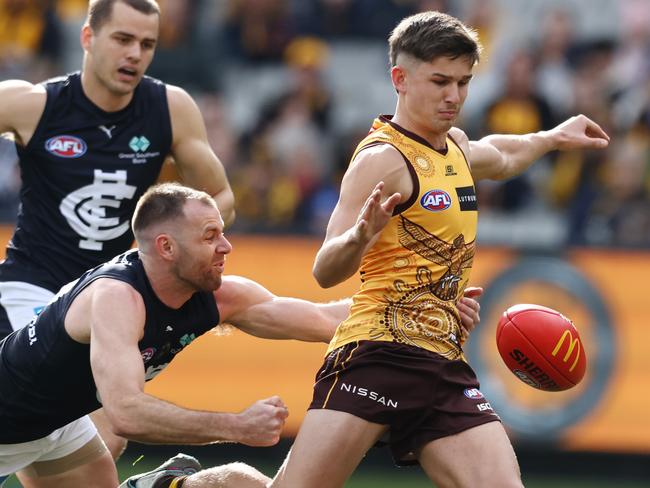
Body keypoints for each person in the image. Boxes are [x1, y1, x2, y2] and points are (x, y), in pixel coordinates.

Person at [264, 11, 610, 488]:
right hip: (378, 354)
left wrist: (550, 137)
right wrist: (361, 236)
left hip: (443, 361)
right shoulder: (382, 160)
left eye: (464, 82)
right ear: (400, 79)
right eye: (440, 81)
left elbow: (502, 154)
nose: (454, 96)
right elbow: (325, 269)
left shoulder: (456, 148)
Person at [0, 0, 234, 467]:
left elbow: (220, 196)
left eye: (147, 44)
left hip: (109, 291)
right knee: (88, 426)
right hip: (31, 286)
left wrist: (177, 244)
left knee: (93, 439)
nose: (135, 54)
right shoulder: (31, 103)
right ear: (88, 38)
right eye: (122, 40)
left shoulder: (169, 107)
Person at [0, 182, 342, 487]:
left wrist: (391, 291)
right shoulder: (117, 297)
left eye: (222, 233)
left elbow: (325, 319)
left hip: (57, 428)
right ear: (166, 247)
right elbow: (125, 413)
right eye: (210, 236)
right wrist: (237, 426)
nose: (226, 246)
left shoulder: (220, 296)